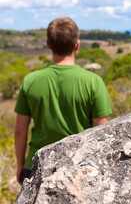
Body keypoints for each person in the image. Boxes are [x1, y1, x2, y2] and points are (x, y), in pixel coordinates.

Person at [14, 17, 112, 185]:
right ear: (77, 45)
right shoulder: (93, 82)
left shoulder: (30, 81)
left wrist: (21, 166)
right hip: (79, 166)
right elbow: (101, 131)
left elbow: (20, 131)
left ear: (48, 44)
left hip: (37, 166)